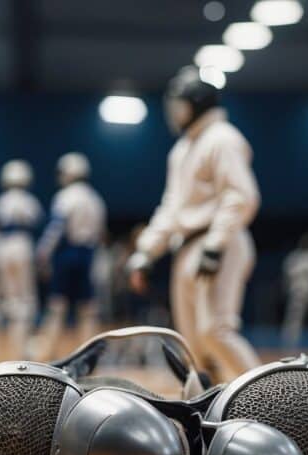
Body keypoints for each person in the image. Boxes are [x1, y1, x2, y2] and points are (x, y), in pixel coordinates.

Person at [126, 65, 260, 381]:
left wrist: (216, 244)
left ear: (198, 103)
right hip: (186, 247)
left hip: (219, 242)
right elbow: (172, 207)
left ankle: (269, 398)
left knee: (216, 330)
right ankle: (207, 413)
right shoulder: (183, 148)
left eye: (180, 104)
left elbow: (241, 196)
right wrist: (146, 252)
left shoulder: (222, 139)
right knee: (194, 344)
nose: (174, 111)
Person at [33, 152, 107, 360]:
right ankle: (89, 354)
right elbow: (100, 233)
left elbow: (56, 228)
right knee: (88, 308)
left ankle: (47, 353)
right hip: (88, 255)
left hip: (67, 255)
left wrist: (42, 253)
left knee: (57, 305)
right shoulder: (95, 199)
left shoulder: (65, 197)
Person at [0, 160, 43, 353]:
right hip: (22, 244)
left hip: (4, 246)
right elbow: (36, 220)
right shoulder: (29, 200)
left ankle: (14, 341)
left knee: (10, 297)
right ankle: (24, 342)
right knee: (27, 296)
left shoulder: (1, 200)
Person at [281, 232, 308, 345]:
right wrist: (287, 287)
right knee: (294, 315)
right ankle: (289, 339)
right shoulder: (295, 257)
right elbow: (288, 275)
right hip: (298, 289)